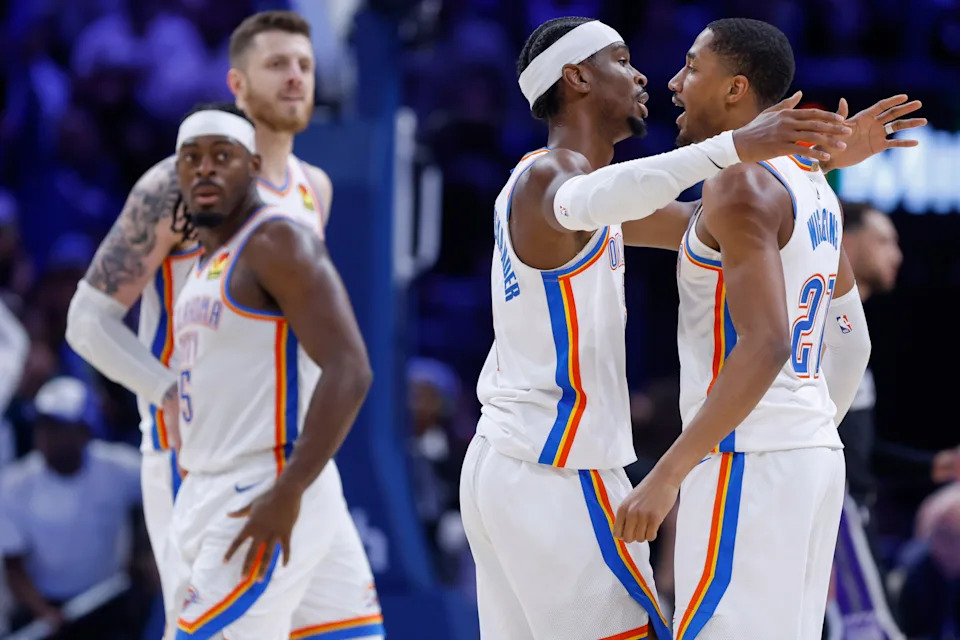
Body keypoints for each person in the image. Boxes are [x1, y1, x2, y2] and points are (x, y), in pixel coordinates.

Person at [460, 15, 857, 640]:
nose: (648, 74)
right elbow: (608, 198)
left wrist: (807, 163)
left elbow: (717, 218)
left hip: (513, 462)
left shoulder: (595, 196)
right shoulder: (550, 179)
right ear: (577, 78)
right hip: (554, 465)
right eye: (622, 59)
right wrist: (735, 147)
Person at [612, 18, 925, 639]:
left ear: (735, 89)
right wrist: (805, 428)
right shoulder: (808, 185)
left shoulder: (740, 183)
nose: (674, 83)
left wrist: (666, 475)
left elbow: (768, 342)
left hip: (746, 459)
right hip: (810, 459)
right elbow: (852, 341)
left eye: (692, 68)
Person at [64, 10, 333, 624]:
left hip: (293, 460)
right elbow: (86, 319)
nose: (294, 79)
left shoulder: (312, 187)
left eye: (304, 66)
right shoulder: (173, 187)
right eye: (276, 66)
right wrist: (165, 391)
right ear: (237, 84)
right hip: (198, 458)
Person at [167, 104, 381, 639]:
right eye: (191, 158)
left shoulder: (276, 242)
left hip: (266, 488)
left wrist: (288, 490)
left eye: (222, 156)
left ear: (254, 165)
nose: (205, 169)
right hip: (214, 485)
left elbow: (350, 369)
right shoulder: (200, 263)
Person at [0, 377, 141, 638]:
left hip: (109, 599)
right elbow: (14, 566)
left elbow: (162, 491)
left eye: (58, 426)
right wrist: (43, 611)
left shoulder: (120, 468)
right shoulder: (14, 485)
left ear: (84, 431)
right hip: (46, 610)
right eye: (42, 424)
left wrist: (146, 554)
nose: (46, 435)